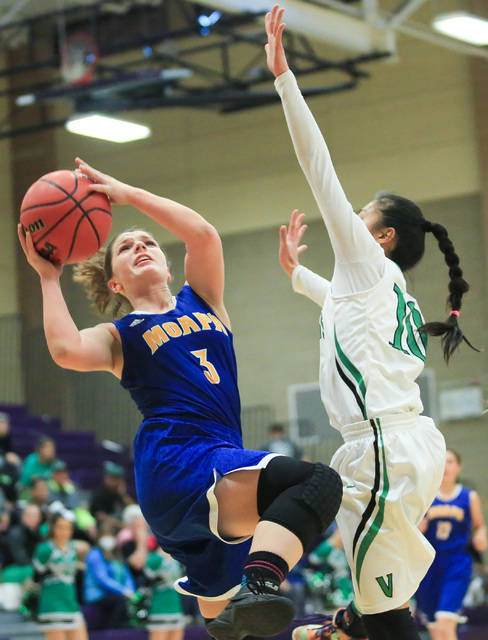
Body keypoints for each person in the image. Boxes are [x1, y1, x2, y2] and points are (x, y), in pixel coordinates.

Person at [18, 157, 343, 640]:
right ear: (115, 283)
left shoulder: (204, 299)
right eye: (125, 248)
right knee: (318, 482)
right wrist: (47, 278)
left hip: (219, 462)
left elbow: (204, 236)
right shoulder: (121, 334)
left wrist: (127, 193)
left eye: (147, 241)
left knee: (227, 622)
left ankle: (244, 594)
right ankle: (262, 581)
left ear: (169, 265)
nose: (140, 245)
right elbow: (65, 349)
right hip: (180, 459)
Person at [264, 5, 476, 640]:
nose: (348, 217)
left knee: (385, 620)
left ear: (379, 235)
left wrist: (284, 79)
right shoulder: (383, 284)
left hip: (383, 447)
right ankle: (345, 626)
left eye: (361, 215)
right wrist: (298, 276)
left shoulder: (367, 261)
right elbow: (339, 306)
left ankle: (347, 627)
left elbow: (318, 167)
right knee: (381, 609)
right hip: (399, 446)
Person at [415, 449, 487, 640]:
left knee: (445, 620)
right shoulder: (425, 496)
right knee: (435, 628)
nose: (446, 466)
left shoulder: (468, 497)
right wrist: (416, 528)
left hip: (456, 564)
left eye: (450, 461)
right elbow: (411, 531)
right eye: (442, 462)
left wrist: (481, 536)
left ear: (458, 467)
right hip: (427, 566)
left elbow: (479, 526)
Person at [32, 512, 88, 640]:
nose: (64, 531)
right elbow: (36, 578)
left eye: (67, 528)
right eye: (60, 527)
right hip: (52, 604)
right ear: (53, 528)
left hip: (71, 603)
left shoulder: (73, 548)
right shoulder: (44, 549)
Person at [83, 528, 136, 630]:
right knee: (120, 601)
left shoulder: (117, 555)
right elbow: (102, 579)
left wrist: (131, 591)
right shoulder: (95, 554)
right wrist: (123, 591)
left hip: (112, 594)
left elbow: (127, 576)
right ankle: (115, 628)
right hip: (97, 595)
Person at [144, 547, 186, 640]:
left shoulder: (178, 557)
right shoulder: (154, 558)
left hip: (176, 606)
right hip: (159, 607)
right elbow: (148, 578)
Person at [89, 461, 133, 531]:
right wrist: (121, 525)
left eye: (116, 478)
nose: (112, 481)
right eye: (111, 478)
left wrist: (123, 494)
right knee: (106, 527)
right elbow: (100, 516)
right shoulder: (99, 494)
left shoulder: (121, 494)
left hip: (121, 524)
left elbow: (133, 509)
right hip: (103, 526)